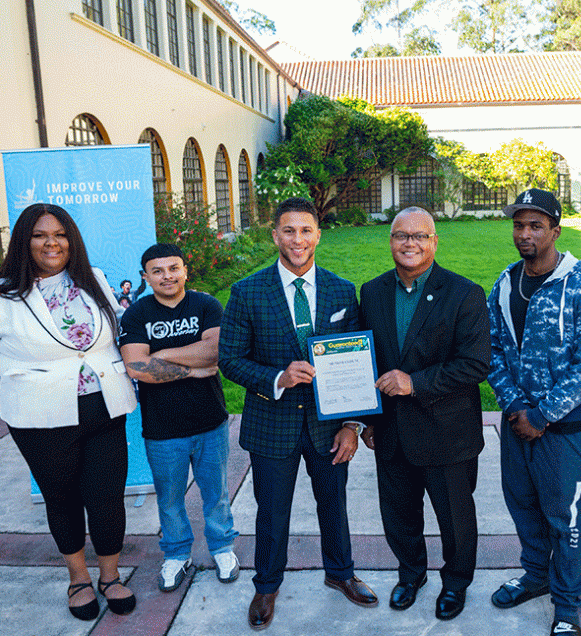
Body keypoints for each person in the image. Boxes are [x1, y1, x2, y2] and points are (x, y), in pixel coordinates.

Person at [0, 203, 138, 621]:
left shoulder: (93, 281)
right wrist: (20, 387)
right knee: (62, 497)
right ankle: (78, 579)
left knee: (108, 497)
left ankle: (110, 577)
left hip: (105, 406)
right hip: (41, 418)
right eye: (40, 235)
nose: (51, 242)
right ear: (25, 240)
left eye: (60, 234)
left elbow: (111, 336)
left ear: (71, 240)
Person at [219, 197, 377, 630]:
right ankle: (267, 585)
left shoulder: (343, 290)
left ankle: (340, 574)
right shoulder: (247, 291)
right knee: (272, 511)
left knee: (334, 504)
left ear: (318, 234)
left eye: (306, 230)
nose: (298, 240)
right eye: (288, 231)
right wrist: (278, 377)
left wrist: (352, 424)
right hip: (272, 424)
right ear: (275, 236)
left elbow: (358, 364)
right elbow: (229, 359)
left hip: (329, 425)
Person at [486, 189, 581, 636]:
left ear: (555, 230)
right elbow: (493, 349)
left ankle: (567, 607)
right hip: (516, 423)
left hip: (562, 429)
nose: (525, 234)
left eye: (536, 226)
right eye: (519, 225)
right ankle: (535, 576)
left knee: (567, 518)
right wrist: (516, 406)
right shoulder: (504, 282)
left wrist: (543, 414)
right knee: (523, 507)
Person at [359, 206, 490, 621]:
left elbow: (476, 364)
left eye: (420, 236)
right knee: (398, 512)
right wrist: (365, 418)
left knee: (455, 518)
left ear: (435, 241)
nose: (410, 243)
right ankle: (411, 573)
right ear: (391, 241)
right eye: (401, 235)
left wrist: (414, 382)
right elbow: (367, 362)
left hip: (446, 431)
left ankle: (455, 583)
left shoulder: (464, 293)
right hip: (391, 430)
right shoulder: (373, 292)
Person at [118, 243, 239, 593]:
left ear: (185, 270)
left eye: (173, 268)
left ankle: (222, 547)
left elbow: (215, 350)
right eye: (157, 271)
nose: (167, 276)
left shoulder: (206, 305)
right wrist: (191, 369)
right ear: (146, 277)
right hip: (163, 429)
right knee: (170, 498)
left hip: (210, 421)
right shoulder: (136, 315)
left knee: (216, 493)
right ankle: (176, 554)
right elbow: (138, 367)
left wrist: (163, 354)